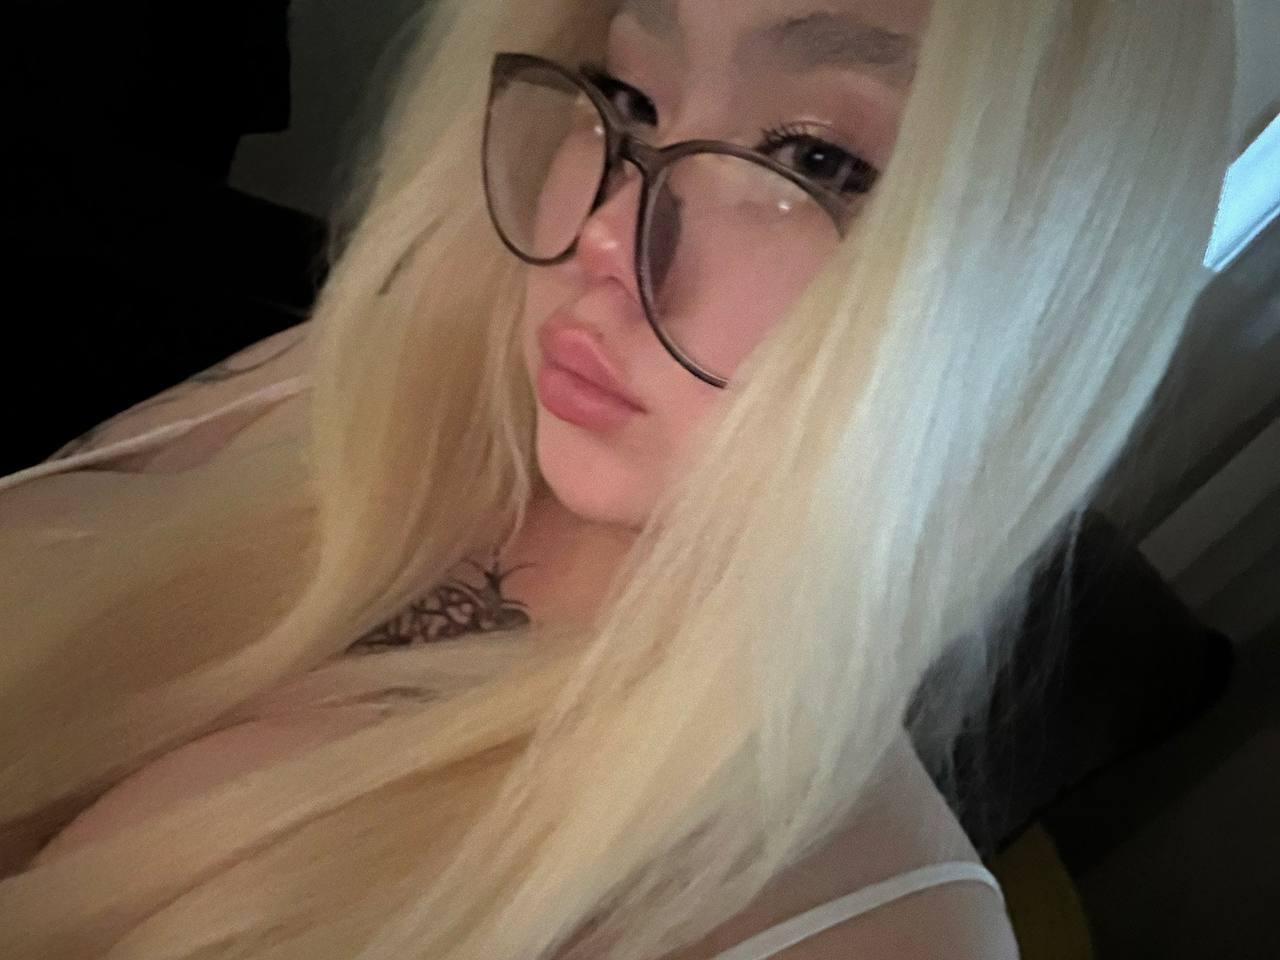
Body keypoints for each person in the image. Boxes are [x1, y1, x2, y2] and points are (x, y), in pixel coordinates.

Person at [0, 0, 1237, 957]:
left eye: (815, 160)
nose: (604, 226)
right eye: (630, 96)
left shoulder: (860, 930)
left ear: (1037, 295)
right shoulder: (353, 380)